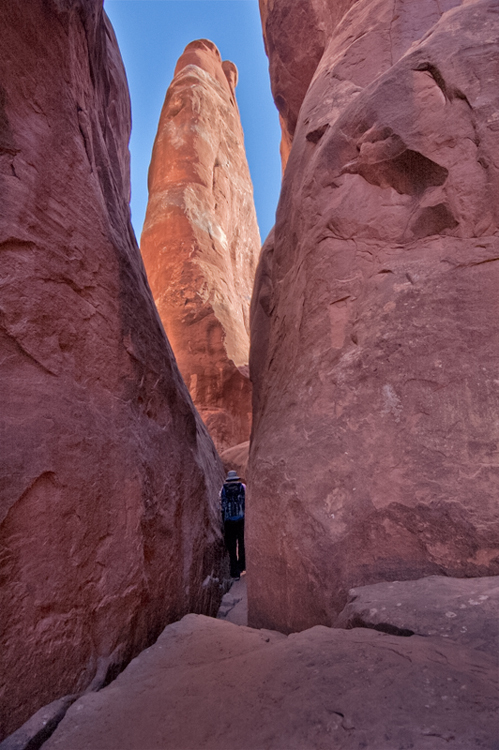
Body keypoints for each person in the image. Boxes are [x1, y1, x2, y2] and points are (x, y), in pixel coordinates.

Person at [220, 470, 246, 580]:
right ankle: (242, 566)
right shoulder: (243, 487)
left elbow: (221, 505)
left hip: (229, 522)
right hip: (241, 520)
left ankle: (234, 573)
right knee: (241, 544)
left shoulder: (223, 489)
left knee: (232, 547)